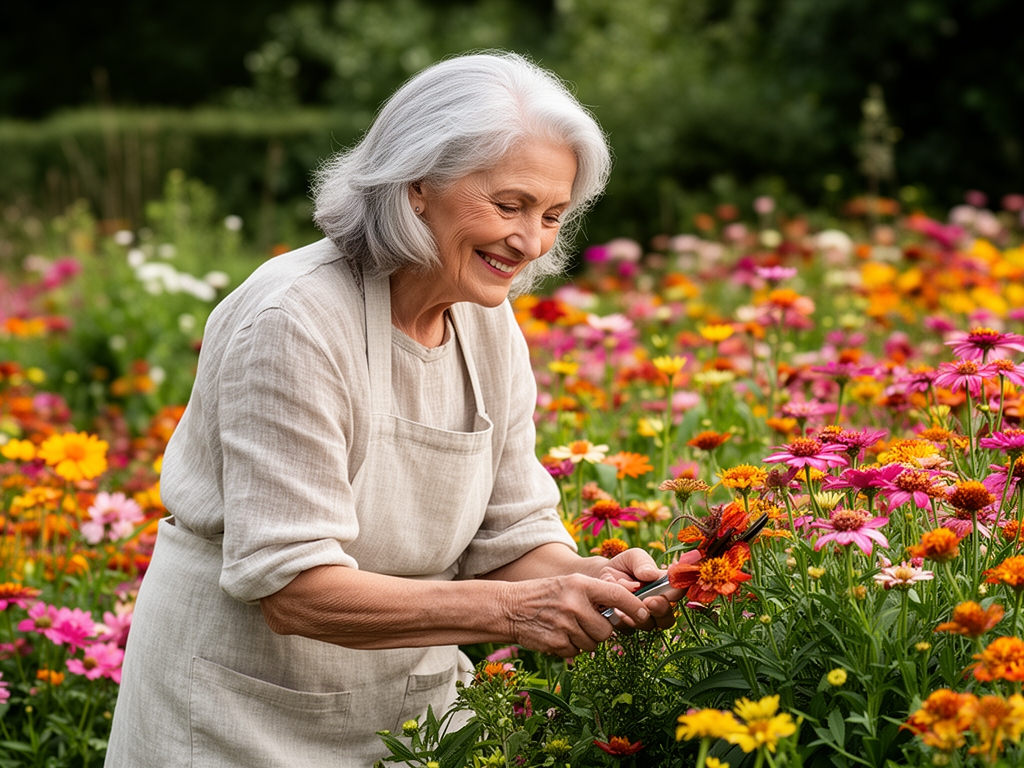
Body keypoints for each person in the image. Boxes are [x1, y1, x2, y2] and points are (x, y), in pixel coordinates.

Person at [105, 52, 687, 767]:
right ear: (417, 183)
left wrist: (590, 581)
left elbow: (510, 536)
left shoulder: (484, 320)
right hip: (238, 714)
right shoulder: (296, 318)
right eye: (509, 205)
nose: (530, 241)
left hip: (408, 718)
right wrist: (516, 611)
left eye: (551, 216)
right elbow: (292, 589)